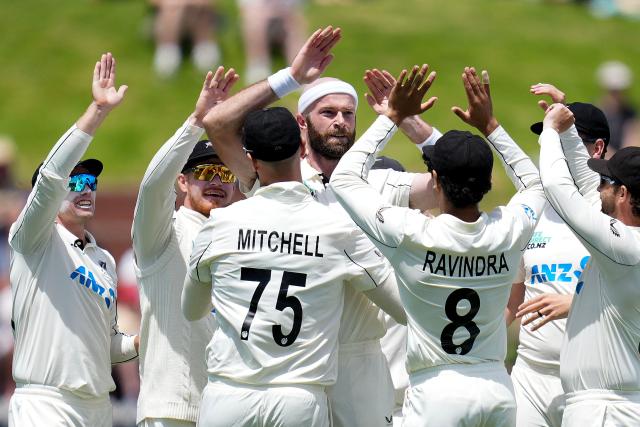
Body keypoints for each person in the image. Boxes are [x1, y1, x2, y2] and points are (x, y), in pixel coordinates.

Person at [203, 26, 437, 427]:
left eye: (349, 114)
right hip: (291, 362)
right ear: (302, 122)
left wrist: (409, 122)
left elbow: (453, 184)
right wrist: (291, 76)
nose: (341, 122)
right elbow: (217, 124)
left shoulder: (380, 181)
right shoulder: (274, 179)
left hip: (359, 355)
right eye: (328, 113)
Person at [331, 65, 547, 426]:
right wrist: (490, 125)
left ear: (434, 180)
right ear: (488, 182)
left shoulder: (411, 233)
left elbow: (344, 178)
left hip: (436, 391)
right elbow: (537, 184)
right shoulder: (508, 230)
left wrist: (392, 116)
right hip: (496, 387)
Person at [181, 106, 406, 427]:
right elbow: (402, 308)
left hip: (227, 395)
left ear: (251, 159)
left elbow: (192, 310)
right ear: (302, 148)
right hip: (297, 398)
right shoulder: (336, 229)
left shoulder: (221, 223)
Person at [7, 53, 139, 426]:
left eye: (90, 182)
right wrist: (97, 111)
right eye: (74, 182)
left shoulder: (104, 261)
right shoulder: (35, 238)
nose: (85, 189)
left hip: (97, 405)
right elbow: (50, 177)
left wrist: (137, 344)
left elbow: (107, 344)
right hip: (45, 404)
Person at [132, 66, 239, 427]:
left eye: (225, 174)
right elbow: (151, 188)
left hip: (228, 410)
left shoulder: (237, 235)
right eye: (205, 172)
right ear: (182, 181)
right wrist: (196, 120)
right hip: (172, 412)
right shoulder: (162, 233)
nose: (216, 182)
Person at [505, 84, 609, 427]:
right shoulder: (532, 209)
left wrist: (574, 304)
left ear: (598, 149)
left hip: (593, 381)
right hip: (529, 374)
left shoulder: (609, 214)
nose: (552, 153)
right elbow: (512, 301)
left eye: (565, 141)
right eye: (550, 141)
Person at [538, 102, 640, 426]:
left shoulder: (623, 247)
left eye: (607, 183)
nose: (599, 187)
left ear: (623, 194)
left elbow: (559, 189)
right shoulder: (626, 240)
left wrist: (550, 132)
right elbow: (586, 185)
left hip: (607, 411)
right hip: (613, 405)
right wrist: (569, 129)